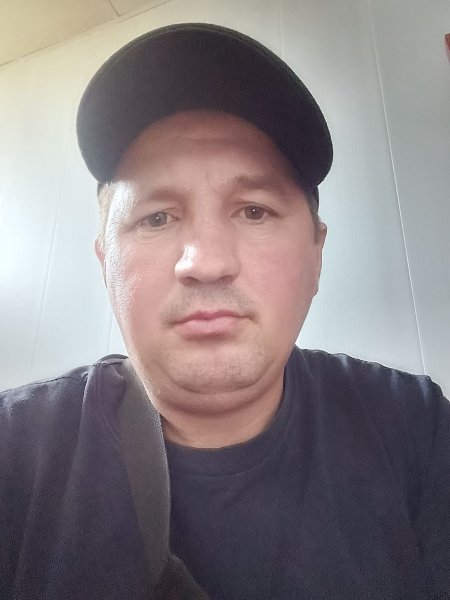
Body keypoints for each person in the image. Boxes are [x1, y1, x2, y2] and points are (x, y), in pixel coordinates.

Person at [1, 22, 449, 600]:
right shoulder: (14, 452)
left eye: (254, 211)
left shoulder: (416, 427)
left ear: (316, 254)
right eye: (157, 218)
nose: (206, 262)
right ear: (105, 262)